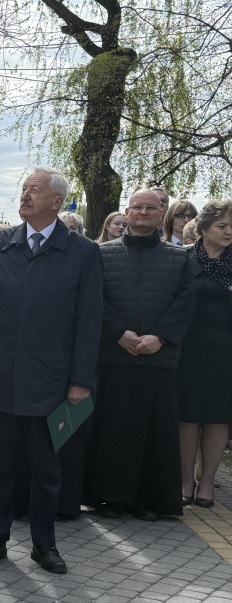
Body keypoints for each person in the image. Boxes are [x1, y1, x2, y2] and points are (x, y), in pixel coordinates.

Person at [0, 167, 103, 574]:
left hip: (53, 381)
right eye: (24, 189)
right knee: (0, 465)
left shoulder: (82, 252)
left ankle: (44, 545)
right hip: (4, 376)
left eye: (35, 190)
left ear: (57, 202)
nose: (25, 195)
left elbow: (90, 321)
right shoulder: (0, 244)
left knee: (46, 470)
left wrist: (81, 380)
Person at [87, 189, 194, 521]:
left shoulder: (180, 257)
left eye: (151, 207)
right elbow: (94, 298)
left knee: (155, 433)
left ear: (162, 213)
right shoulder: (101, 253)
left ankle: (148, 501)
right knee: (111, 429)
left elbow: (186, 301)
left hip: (157, 357)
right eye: (137, 207)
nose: (143, 212)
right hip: (114, 355)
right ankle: (108, 497)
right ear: (127, 211)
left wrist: (160, 337)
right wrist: (119, 333)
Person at [178, 200, 232, 508]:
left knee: (217, 418)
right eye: (222, 226)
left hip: (225, 353)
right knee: (187, 417)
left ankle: (208, 481)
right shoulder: (182, 258)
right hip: (188, 349)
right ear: (204, 228)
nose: (229, 232)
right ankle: (185, 480)